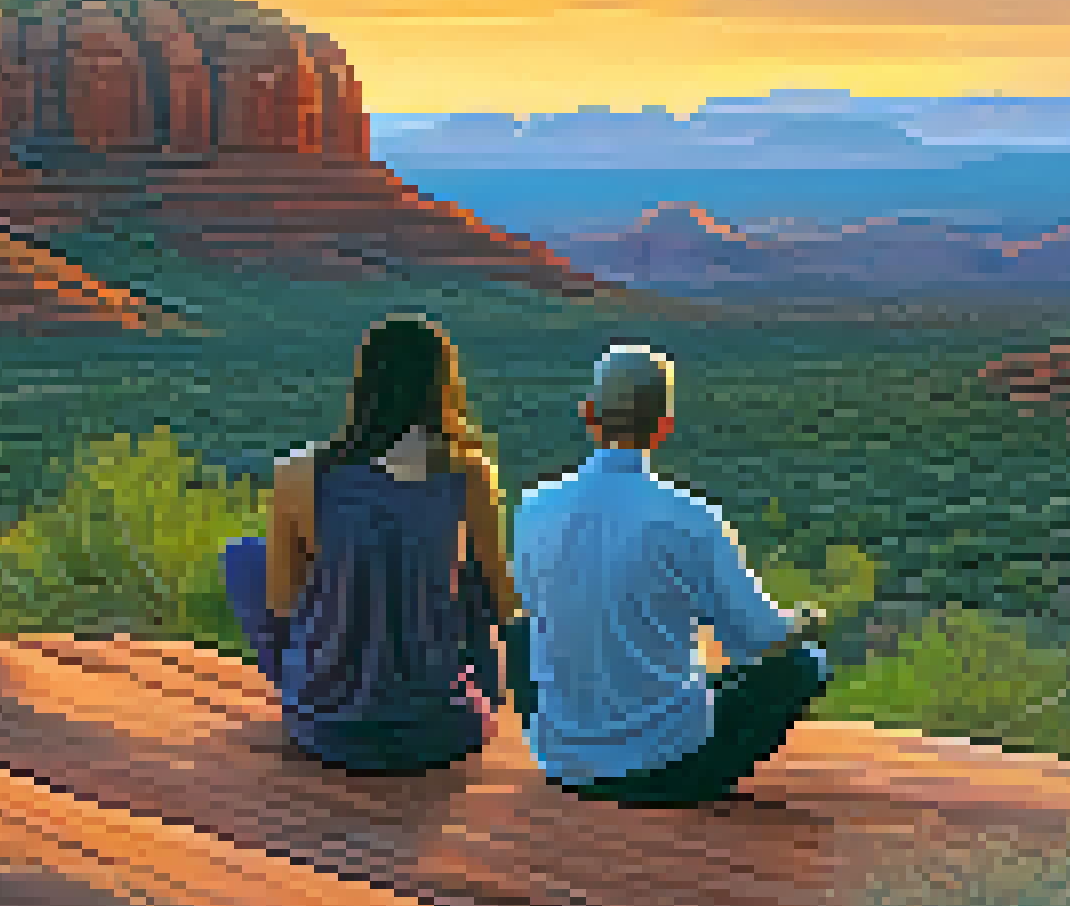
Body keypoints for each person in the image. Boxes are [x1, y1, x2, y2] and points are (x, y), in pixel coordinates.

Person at [509, 343, 830, 807]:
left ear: (589, 414)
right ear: (664, 425)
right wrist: (804, 622)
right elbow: (756, 639)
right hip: (664, 762)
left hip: (561, 760)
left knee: (523, 630)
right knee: (806, 664)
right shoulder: (689, 517)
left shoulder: (533, 508)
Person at [220, 313, 523, 773]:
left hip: (326, 729)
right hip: (440, 731)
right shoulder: (470, 475)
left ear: (363, 387)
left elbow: (283, 604)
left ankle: (320, 681)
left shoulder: (299, 474)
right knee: (473, 575)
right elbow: (502, 604)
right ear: (443, 388)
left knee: (244, 557)